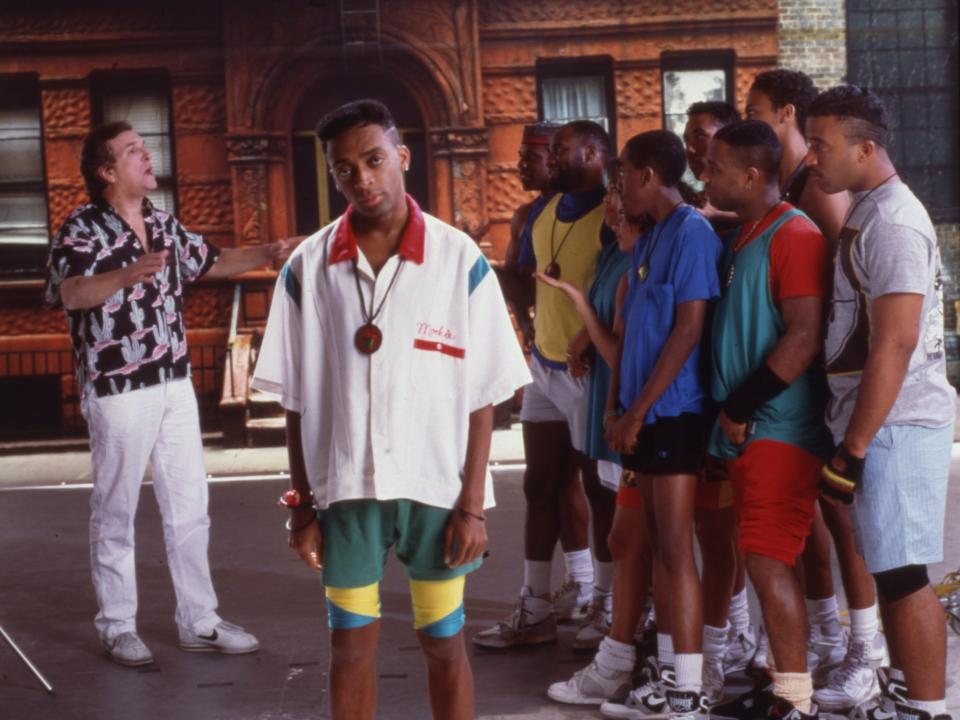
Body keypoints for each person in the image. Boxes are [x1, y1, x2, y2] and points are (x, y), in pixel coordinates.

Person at [251, 99, 529, 720]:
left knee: (443, 643)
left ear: (401, 157)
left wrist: (472, 503)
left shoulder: (460, 261)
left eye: (374, 160)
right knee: (349, 647)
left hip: (436, 489)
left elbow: (483, 393)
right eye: (344, 169)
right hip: (345, 489)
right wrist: (302, 503)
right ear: (332, 176)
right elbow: (296, 400)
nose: (363, 179)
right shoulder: (307, 268)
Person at [44, 121, 289, 666]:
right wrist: (127, 274)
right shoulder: (81, 228)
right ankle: (117, 625)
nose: (147, 155)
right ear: (108, 171)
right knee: (116, 509)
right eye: (133, 151)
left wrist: (272, 250)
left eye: (143, 147)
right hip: (117, 387)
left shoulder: (160, 221)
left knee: (189, 508)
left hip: (173, 381)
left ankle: (198, 620)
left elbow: (213, 260)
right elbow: (71, 293)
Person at [807, 85, 957, 720]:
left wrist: (855, 448)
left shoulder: (894, 221)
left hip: (895, 424)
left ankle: (926, 709)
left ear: (865, 148)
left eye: (822, 144)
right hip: (879, 422)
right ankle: (910, 697)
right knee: (894, 571)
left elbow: (894, 342)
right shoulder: (871, 208)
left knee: (903, 576)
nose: (812, 157)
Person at [747, 68, 885, 708]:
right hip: (818, 377)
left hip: (833, 378)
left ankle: (866, 648)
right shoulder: (797, 186)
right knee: (814, 521)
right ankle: (830, 636)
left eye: (757, 110)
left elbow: (848, 285)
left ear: (786, 116)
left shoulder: (816, 189)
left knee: (841, 511)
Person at [702, 120, 832, 720]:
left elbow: (803, 337)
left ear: (752, 175)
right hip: (750, 428)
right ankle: (785, 686)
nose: (706, 176)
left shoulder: (796, 235)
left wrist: (740, 405)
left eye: (715, 167)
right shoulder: (748, 233)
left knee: (767, 560)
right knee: (762, 560)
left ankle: (796, 702)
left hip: (778, 426)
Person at [474, 120, 614, 649]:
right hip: (544, 365)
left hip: (590, 369)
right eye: (547, 151)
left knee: (599, 490)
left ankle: (605, 600)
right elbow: (527, 281)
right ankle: (534, 604)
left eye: (559, 150)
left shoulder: (612, 211)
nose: (549, 159)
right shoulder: (540, 213)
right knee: (539, 484)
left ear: (594, 152)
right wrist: (473, 265)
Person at [600, 129, 722, 720]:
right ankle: (674, 677)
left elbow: (688, 330)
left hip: (673, 415)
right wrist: (617, 410)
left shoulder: (693, 233)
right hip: (643, 416)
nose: (618, 184)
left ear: (648, 174)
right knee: (658, 551)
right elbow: (635, 333)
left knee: (677, 552)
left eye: (623, 172)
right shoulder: (648, 241)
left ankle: (689, 692)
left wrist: (641, 410)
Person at [542, 162, 648, 705]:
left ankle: (635, 649)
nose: (609, 200)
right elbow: (608, 334)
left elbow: (626, 354)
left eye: (616, 190)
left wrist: (579, 306)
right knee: (624, 531)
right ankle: (623, 634)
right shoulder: (614, 252)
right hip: (612, 402)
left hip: (633, 410)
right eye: (607, 189)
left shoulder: (641, 259)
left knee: (635, 538)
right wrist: (584, 333)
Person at [681, 98, 757, 688]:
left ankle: (738, 634)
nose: (694, 147)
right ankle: (729, 629)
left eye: (704, 137)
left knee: (733, 529)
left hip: (737, 390)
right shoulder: (694, 208)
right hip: (704, 388)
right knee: (709, 527)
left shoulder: (735, 215)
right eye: (688, 137)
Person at [497, 121, 560, 348]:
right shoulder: (523, 216)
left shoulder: (580, 212)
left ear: (555, 161)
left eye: (532, 157)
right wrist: (524, 322)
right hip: (543, 343)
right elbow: (515, 279)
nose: (521, 165)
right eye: (521, 156)